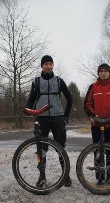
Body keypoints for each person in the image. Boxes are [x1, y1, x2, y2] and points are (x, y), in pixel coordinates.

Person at [25, 55, 72, 187]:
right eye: (45, 64)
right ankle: (42, 178)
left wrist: (66, 116)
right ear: (42, 66)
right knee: (41, 149)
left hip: (58, 118)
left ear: (53, 65)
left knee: (61, 148)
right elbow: (31, 99)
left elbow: (70, 98)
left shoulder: (59, 81)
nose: (48, 66)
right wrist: (27, 108)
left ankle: (66, 175)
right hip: (42, 118)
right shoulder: (37, 82)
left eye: (50, 63)